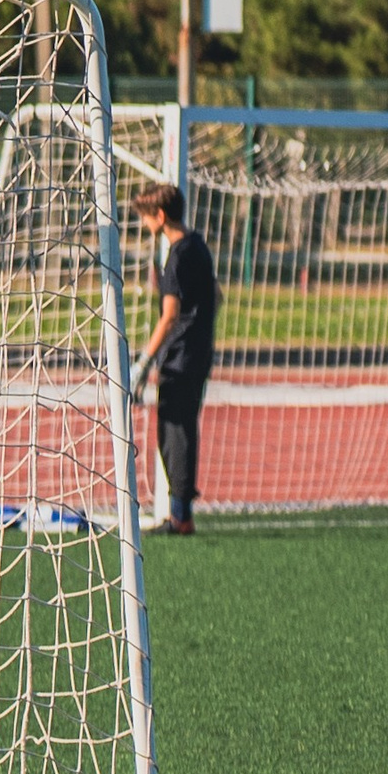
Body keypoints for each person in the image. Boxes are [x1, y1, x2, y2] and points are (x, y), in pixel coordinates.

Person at [130, 182, 219, 536]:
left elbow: (169, 314)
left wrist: (144, 361)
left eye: (147, 217)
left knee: (174, 435)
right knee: (177, 432)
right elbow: (215, 294)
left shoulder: (177, 255)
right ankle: (181, 513)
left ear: (161, 216)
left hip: (181, 357)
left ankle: (180, 517)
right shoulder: (199, 245)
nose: (145, 224)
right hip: (196, 352)